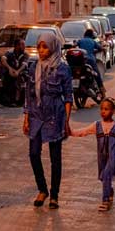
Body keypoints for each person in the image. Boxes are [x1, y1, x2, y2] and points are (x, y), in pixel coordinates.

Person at [22, 33, 73, 209]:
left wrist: (66, 121)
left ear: (52, 47)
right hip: (36, 116)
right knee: (34, 153)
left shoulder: (62, 69)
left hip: (55, 117)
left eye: (45, 47)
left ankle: (54, 195)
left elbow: (68, 97)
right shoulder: (33, 67)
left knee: (55, 157)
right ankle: (42, 189)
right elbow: (28, 95)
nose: (42, 51)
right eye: (39, 47)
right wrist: (26, 117)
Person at [72, 97, 115, 212]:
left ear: (113, 111)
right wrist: (70, 132)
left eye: (106, 109)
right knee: (103, 177)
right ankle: (110, 190)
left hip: (113, 157)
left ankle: (105, 201)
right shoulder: (96, 125)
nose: (103, 111)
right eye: (102, 108)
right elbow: (83, 131)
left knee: (107, 175)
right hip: (101, 157)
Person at [0, 37, 28, 106]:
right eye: (22, 44)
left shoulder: (25, 54)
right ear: (17, 46)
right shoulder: (10, 52)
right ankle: (10, 100)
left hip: (20, 73)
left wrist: (18, 71)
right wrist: (10, 68)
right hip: (11, 72)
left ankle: (19, 100)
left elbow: (24, 65)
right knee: (8, 77)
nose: (24, 47)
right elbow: (3, 59)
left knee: (23, 77)